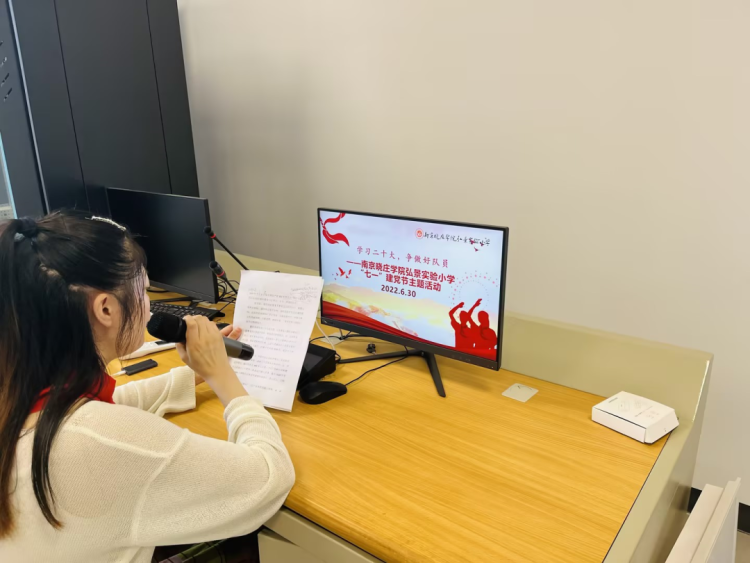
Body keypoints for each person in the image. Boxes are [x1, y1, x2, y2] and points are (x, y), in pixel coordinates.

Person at [0, 211, 295, 562]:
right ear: (106, 309)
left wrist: (192, 374)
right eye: (143, 290)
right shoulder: (103, 444)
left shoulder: (19, 397)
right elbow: (268, 479)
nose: (148, 303)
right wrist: (223, 378)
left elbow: (110, 405)